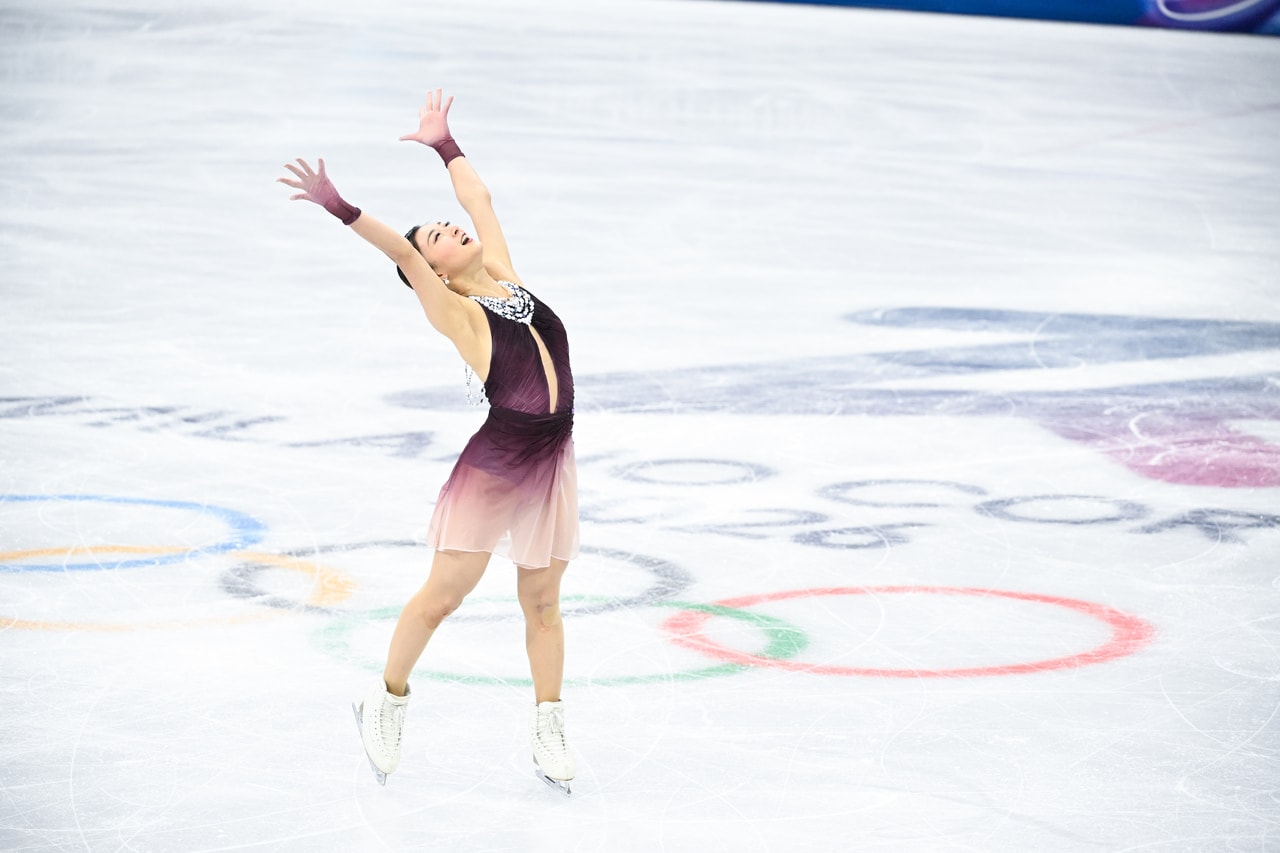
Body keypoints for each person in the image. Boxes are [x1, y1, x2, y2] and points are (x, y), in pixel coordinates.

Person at [277, 89, 578, 794]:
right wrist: (342, 207)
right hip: (499, 465)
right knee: (444, 595)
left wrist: (446, 146)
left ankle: (549, 720)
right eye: (436, 236)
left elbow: (481, 201)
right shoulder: (459, 312)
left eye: (444, 226)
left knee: (542, 602)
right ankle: (386, 697)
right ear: (434, 271)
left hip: (553, 461)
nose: (450, 229)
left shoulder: (504, 277)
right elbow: (401, 256)